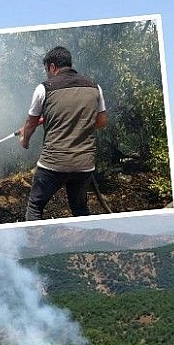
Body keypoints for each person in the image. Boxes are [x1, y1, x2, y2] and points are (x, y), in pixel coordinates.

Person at [17, 46, 108, 221]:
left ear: (52, 67)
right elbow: (101, 121)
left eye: (46, 70)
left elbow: (31, 123)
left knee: (35, 206)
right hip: (84, 164)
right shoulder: (94, 87)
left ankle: (36, 247)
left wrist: (24, 139)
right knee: (79, 208)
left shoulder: (44, 88)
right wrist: (77, 126)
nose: (47, 74)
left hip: (53, 164)